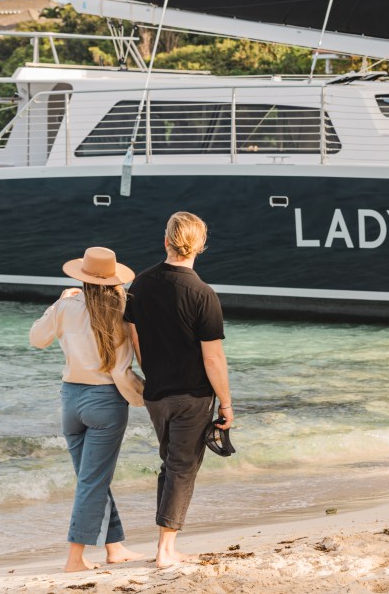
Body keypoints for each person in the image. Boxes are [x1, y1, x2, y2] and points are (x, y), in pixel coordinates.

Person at [124, 211, 233, 568]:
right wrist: (226, 404)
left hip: (156, 394)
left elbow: (134, 340)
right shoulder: (203, 294)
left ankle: (165, 545)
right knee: (182, 468)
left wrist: (153, 373)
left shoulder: (139, 284)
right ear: (200, 246)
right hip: (193, 395)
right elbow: (213, 358)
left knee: (170, 464)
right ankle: (165, 551)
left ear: (166, 241)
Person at [29, 246, 145, 572]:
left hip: (71, 400)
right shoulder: (124, 308)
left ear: (82, 277)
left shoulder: (66, 306)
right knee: (93, 480)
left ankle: (114, 546)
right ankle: (74, 559)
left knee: (91, 478)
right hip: (106, 401)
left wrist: (59, 302)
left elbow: (37, 338)